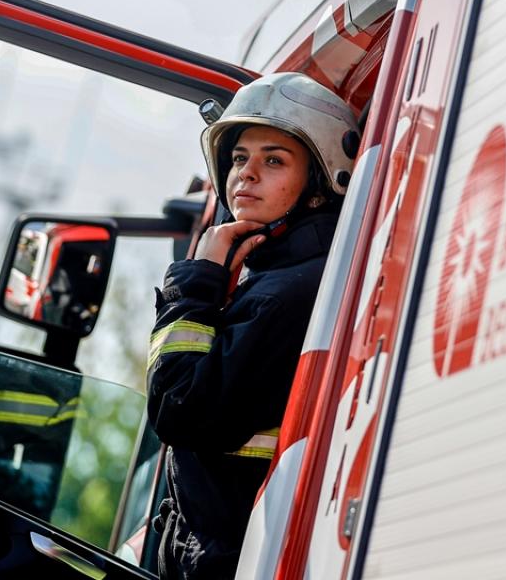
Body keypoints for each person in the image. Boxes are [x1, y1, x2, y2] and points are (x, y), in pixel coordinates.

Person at [146, 72, 359, 579]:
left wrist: (194, 282)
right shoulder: (274, 277)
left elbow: (178, 409)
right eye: (240, 158)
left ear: (319, 181)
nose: (246, 174)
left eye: (274, 160)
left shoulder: (283, 294)